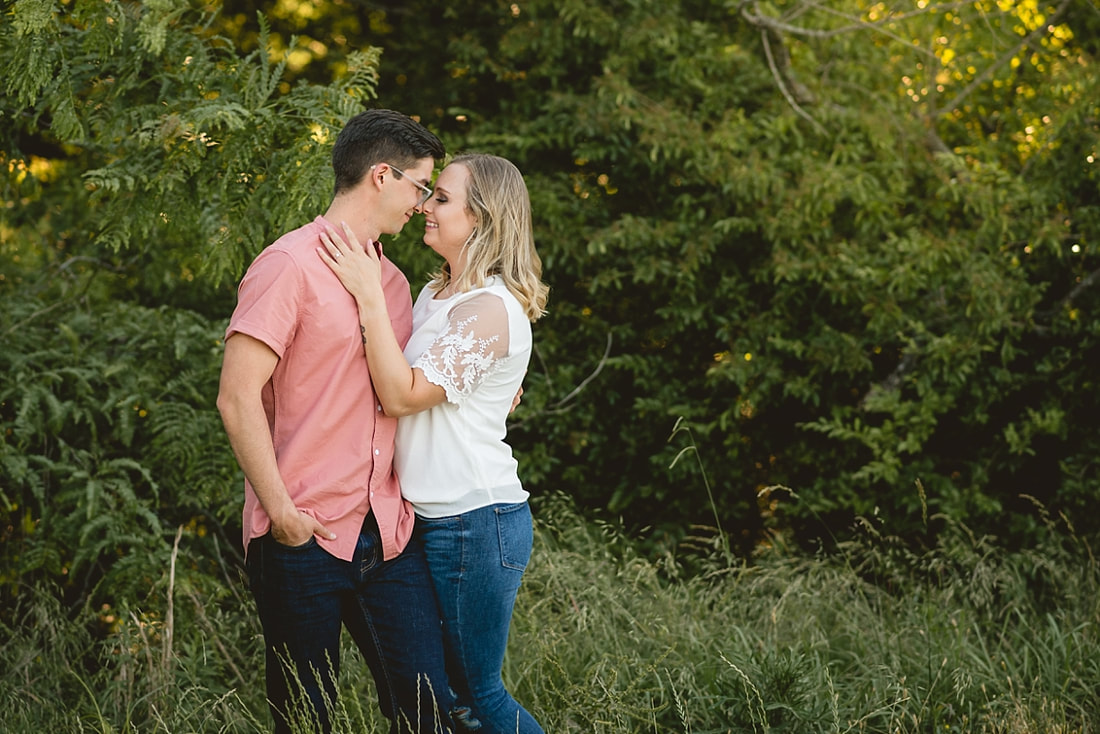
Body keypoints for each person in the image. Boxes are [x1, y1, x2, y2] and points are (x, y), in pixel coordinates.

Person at [216, 109, 457, 734]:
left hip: (389, 533)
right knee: (304, 719)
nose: (422, 204)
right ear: (382, 176)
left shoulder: (397, 286)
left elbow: (419, 382)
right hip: (303, 535)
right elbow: (236, 399)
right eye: (419, 187)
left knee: (431, 712)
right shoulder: (287, 266)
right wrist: (283, 517)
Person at [317, 153, 549, 734]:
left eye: (441, 199)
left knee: (479, 695)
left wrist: (369, 295)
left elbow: (402, 395)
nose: (424, 205)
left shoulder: (492, 310)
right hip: (425, 518)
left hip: (476, 518)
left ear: (484, 218)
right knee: (441, 695)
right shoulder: (435, 293)